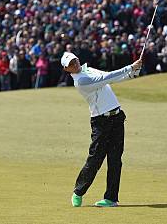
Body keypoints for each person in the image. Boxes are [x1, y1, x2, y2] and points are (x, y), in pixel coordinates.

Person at [61, 51, 142, 208]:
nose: (74, 64)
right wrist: (130, 67)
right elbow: (105, 78)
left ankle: (111, 199)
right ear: (67, 69)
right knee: (95, 159)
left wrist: (133, 73)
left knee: (115, 160)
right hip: (101, 122)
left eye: (74, 60)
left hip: (117, 117)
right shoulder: (81, 81)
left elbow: (111, 77)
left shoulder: (88, 70)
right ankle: (78, 191)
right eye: (70, 64)